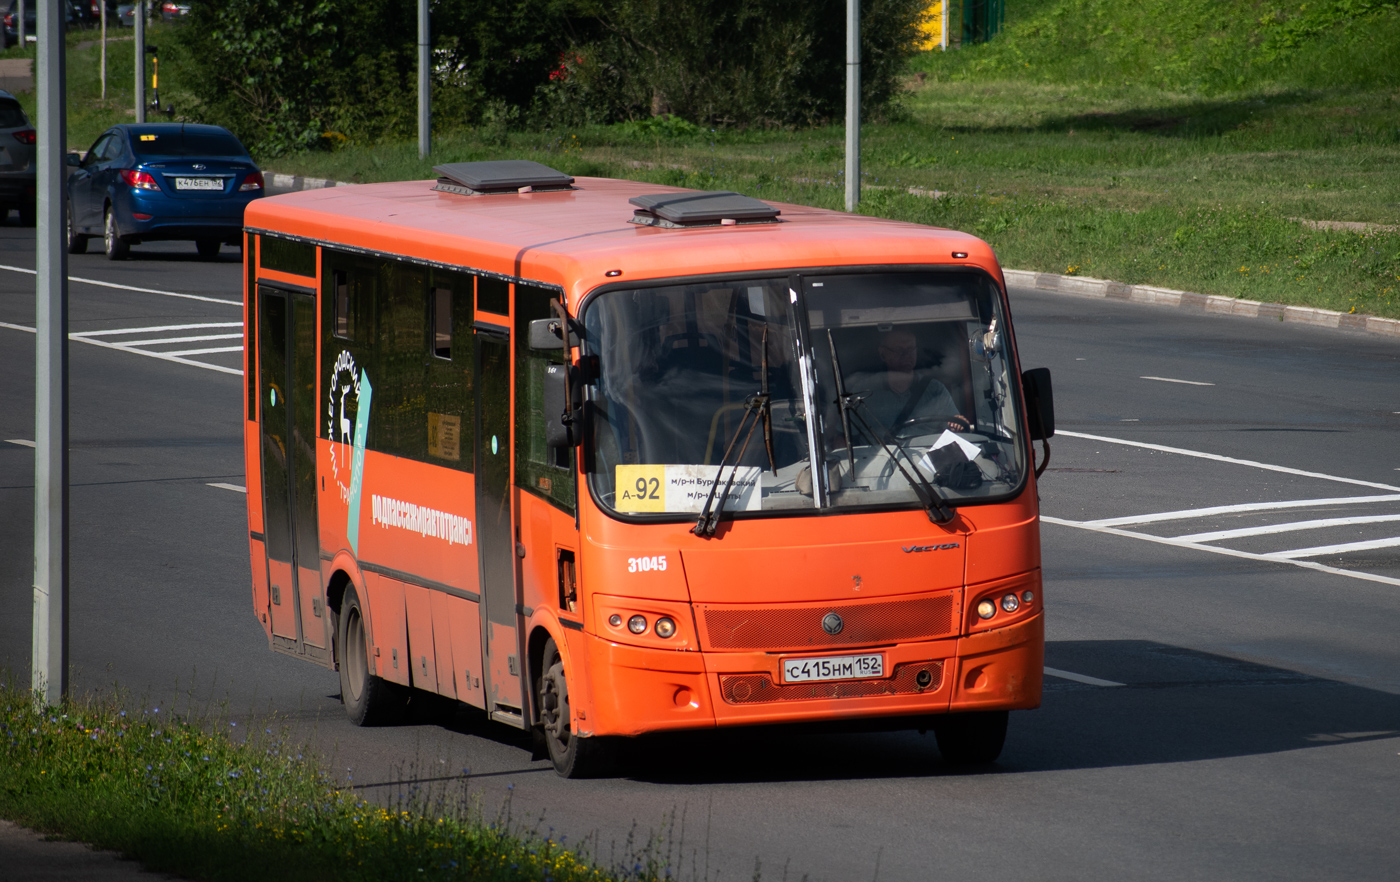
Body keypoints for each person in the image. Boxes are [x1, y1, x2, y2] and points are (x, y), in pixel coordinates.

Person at [851, 328, 970, 436]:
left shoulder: (935, 390)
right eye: (899, 350)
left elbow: (954, 429)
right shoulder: (863, 391)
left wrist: (957, 425)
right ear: (883, 354)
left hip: (925, 457)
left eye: (910, 349)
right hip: (881, 458)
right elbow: (842, 439)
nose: (907, 355)